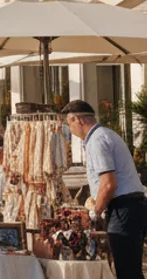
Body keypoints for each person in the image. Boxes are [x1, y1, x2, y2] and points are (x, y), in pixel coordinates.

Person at [63, 100, 147, 279]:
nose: (69, 128)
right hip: (130, 206)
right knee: (129, 268)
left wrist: (95, 212)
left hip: (123, 207)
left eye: (69, 123)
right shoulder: (104, 135)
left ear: (79, 120)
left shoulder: (97, 140)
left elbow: (108, 184)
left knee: (127, 270)